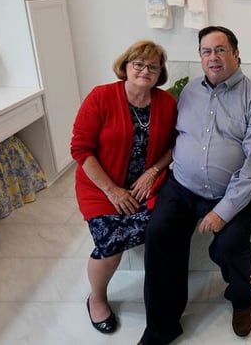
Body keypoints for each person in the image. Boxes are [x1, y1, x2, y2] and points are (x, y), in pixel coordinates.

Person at [139, 26, 251, 344]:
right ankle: (162, 326)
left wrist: (222, 212)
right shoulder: (190, 92)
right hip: (183, 185)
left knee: (229, 247)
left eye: (220, 49)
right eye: (206, 51)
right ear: (200, 57)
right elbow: (176, 138)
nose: (213, 57)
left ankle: (242, 297)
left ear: (236, 54)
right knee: (159, 234)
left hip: (233, 191)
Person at [71, 40, 177, 334]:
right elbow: (81, 150)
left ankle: (161, 295)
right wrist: (112, 191)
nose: (145, 70)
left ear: (160, 73)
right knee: (112, 244)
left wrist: (153, 171)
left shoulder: (166, 103)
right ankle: (97, 297)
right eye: (139, 64)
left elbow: (175, 144)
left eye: (153, 66)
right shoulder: (101, 97)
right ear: (126, 67)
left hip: (148, 186)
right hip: (101, 187)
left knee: (166, 224)